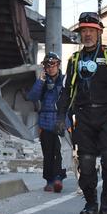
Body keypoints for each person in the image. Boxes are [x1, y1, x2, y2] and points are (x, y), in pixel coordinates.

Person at [56, 12, 107, 214]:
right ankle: (91, 203)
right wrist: (60, 116)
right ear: (80, 34)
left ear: (99, 33)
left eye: (91, 30)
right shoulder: (74, 60)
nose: (88, 34)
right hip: (83, 117)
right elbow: (66, 91)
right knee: (86, 163)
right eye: (84, 31)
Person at [26, 52, 66, 192]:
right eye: (47, 65)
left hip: (61, 122)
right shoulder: (42, 82)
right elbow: (32, 96)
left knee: (60, 152)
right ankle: (49, 180)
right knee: (47, 153)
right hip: (45, 122)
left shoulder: (65, 80)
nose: (50, 68)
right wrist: (40, 81)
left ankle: (58, 178)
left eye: (53, 64)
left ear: (58, 65)